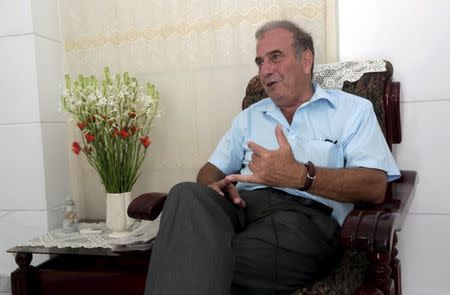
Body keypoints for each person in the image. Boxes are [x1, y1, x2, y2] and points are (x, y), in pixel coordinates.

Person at [144, 20, 400, 295]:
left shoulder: (352, 111)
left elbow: (374, 186)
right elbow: (209, 170)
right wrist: (218, 186)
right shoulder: (250, 116)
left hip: (302, 220)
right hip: (241, 208)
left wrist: (302, 176)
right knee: (185, 193)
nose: (264, 70)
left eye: (275, 57)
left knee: (193, 259)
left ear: (306, 60)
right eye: (259, 62)